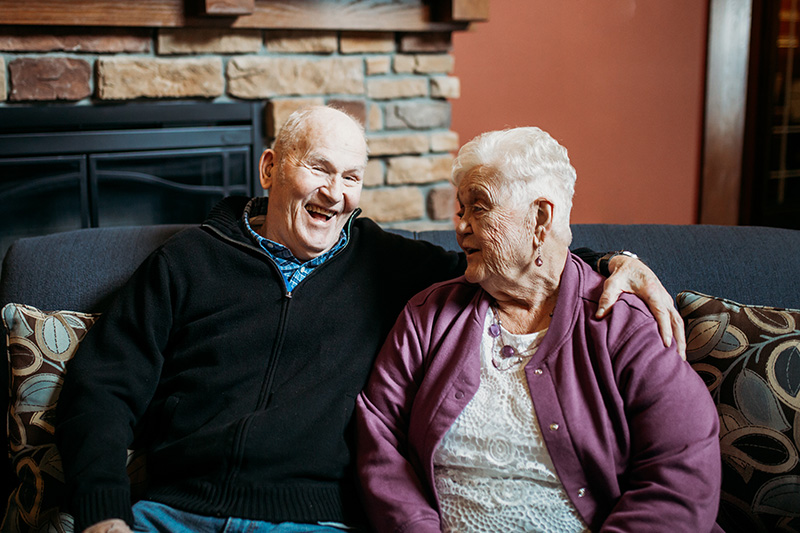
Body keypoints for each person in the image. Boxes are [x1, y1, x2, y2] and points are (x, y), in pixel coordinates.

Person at [56, 106, 683, 533]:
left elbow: (505, 260)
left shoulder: (388, 264)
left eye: (352, 177)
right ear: (271, 168)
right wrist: (105, 511)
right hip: (172, 512)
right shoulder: (186, 262)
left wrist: (611, 262)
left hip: (316, 520)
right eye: (320, 169)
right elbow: (103, 387)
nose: (336, 193)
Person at [356, 127, 722, 532]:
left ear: (540, 218)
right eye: (460, 210)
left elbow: (681, 473)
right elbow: (379, 440)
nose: (460, 226)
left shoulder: (622, 325)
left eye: (479, 208)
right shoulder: (428, 315)